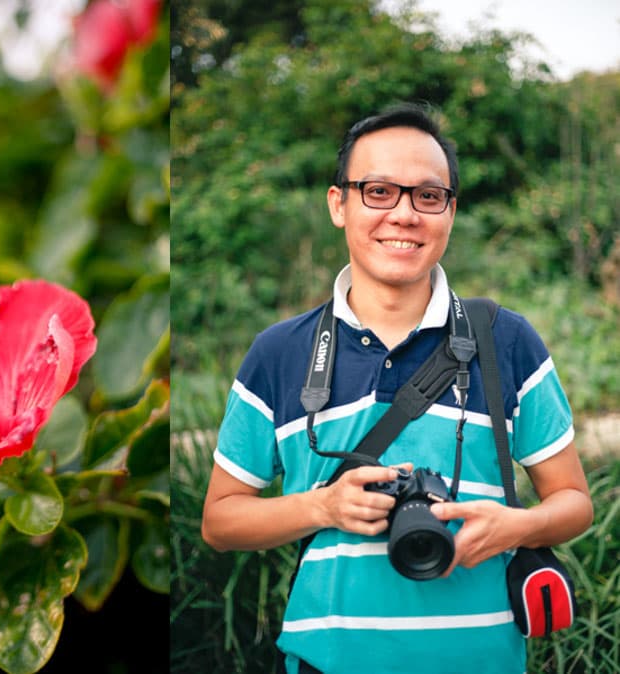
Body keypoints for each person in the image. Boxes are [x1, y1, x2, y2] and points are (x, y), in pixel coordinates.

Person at [200, 103, 593, 674]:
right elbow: (220, 522)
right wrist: (322, 505)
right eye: (379, 191)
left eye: (428, 196)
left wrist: (519, 523)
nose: (405, 215)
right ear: (339, 204)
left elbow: (574, 503)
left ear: (450, 212)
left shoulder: (506, 341)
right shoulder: (280, 353)